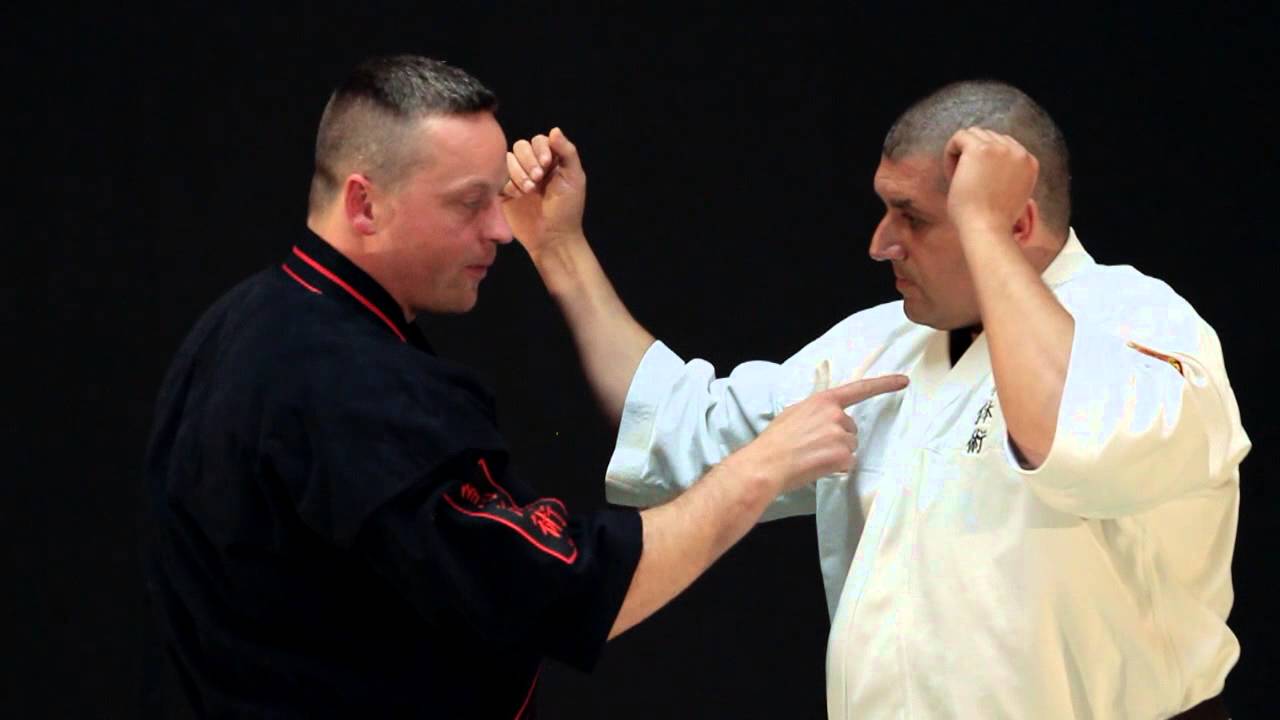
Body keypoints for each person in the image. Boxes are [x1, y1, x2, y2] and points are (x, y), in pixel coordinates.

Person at [141, 55, 908, 718]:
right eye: (468, 203)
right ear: (364, 204)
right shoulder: (354, 385)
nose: (500, 231)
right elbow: (564, 588)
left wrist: (560, 247)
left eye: (497, 199)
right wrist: (762, 465)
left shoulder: (245, 323)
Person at [502, 80, 1249, 718]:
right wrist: (559, 249)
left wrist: (982, 226)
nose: (880, 243)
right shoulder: (879, 343)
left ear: (1015, 221)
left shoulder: (1141, 323)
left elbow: (1075, 445)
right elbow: (683, 430)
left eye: (913, 217)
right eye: (884, 210)